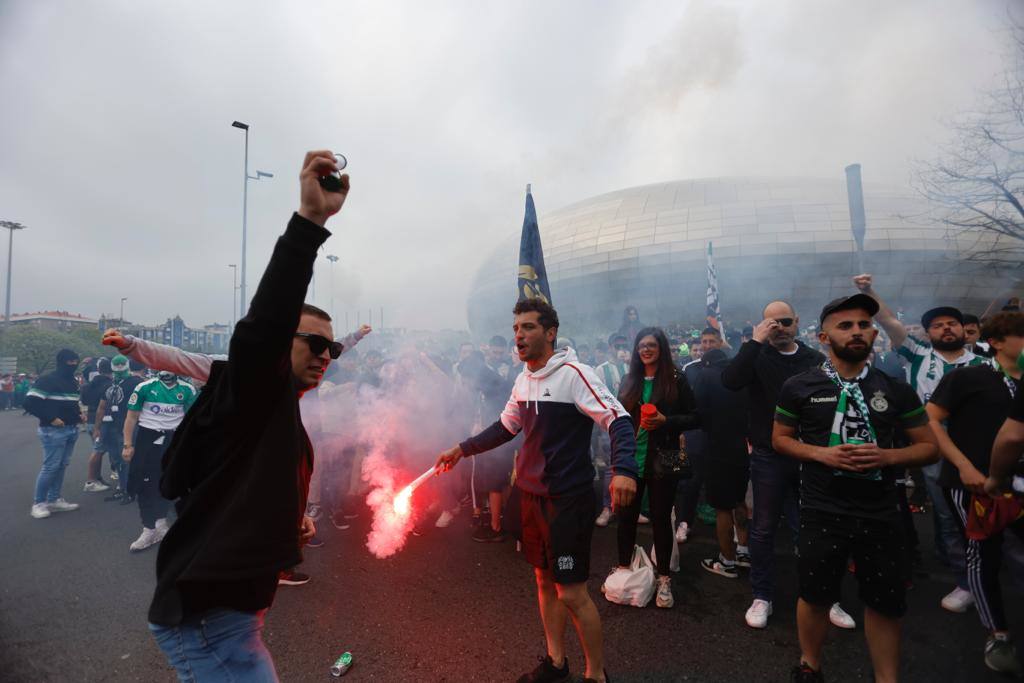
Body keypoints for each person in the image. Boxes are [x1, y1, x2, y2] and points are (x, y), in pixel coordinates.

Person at [143, 149, 347, 681]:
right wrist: (310, 223)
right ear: (283, 343)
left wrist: (285, 528)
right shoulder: (255, 385)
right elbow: (261, 328)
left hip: (223, 615)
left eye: (335, 349)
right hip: (210, 622)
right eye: (314, 343)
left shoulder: (271, 411)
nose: (326, 355)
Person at [436, 298, 638, 683]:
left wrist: (624, 469)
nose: (519, 335)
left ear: (550, 333)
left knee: (572, 592)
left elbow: (619, 420)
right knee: (543, 582)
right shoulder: (524, 377)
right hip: (530, 496)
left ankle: (596, 675)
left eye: (528, 327)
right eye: (516, 328)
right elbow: (505, 427)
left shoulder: (576, 374)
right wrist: (462, 449)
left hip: (567, 500)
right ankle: (556, 662)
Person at [773, 294, 938, 683]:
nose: (857, 331)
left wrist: (886, 458)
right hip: (821, 508)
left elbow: (929, 447)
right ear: (823, 337)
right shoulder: (799, 385)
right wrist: (820, 455)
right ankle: (810, 665)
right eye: (845, 326)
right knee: (814, 595)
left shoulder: (894, 388)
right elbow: (780, 438)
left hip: (880, 511)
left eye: (864, 324)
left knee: (884, 602)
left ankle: (886, 677)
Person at [854, 273, 984, 613]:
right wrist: (869, 292)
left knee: (981, 513)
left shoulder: (985, 364)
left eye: (952, 323)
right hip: (934, 449)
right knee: (946, 515)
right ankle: (963, 579)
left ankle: (983, 569)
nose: (946, 329)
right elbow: (888, 321)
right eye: (938, 325)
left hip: (978, 450)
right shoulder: (917, 355)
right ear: (928, 333)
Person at [720, 302, 847, 630]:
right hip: (767, 455)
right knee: (762, 528)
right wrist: (754, 341)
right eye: (771, 323)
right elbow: (731, 380)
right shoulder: (757, 355)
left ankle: (825, 596)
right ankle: (762, 595)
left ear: (798, 322)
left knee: (811, 527)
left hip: (810, 455)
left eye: (785, 321)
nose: (779, 327)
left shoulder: (814, 360)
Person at [926, 312, 1024, 676]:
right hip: (974, 485)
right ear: (998, 341)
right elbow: (931, 418)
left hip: (1018, 484)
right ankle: (997, 632)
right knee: (983, 552)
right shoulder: (970, 377)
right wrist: (963, 466)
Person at [606, 326, 699, 608]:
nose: (645, 349)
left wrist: (665, 421)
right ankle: (623, 570)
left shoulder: (675, 379)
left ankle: (664, 580)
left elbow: (696, 417)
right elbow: (618, 418)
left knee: (660, 518)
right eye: (641, 345)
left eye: (651, 345)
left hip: (662, 459)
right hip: (631, 460)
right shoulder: (628, 380)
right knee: (626, 516)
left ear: (661, 348)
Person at [691, 347, 751, 578]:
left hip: (716, 448)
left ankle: (727, 560)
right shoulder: (742, 375)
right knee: (739, 501)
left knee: (722, 508)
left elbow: (698, 411)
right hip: (741, 447)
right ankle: (744, 552)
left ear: (706, 363)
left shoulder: (705, 375)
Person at [122, 370, 197, 551]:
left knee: (171, 482)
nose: (167, 371)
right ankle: (148, 528)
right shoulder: (144, 387)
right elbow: (131, 417)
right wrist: (127, 445)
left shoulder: (188, 390)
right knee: (144, 484)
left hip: (174, 440)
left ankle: (162, 524)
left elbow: (192, 419)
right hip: (147, 439)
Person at [23, 349, 83, 519]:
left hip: (71, 428)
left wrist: (79, 414)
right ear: (61, 362)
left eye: (75, 361)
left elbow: (72, 402)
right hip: (52, 430)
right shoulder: (47, 380)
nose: (73, 364)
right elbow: (29, 403)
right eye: (70, 361)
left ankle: (54, 499)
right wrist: (51, 418)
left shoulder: (72, 381)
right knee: (50, 467)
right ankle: (39, 503)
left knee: (61, 465)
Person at [94, 354, 142, 501]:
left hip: (126, 427)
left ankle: (130, 489)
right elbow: (101, 407)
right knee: (118, 460)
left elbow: (143, 406)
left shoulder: (137, 383)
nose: (120, 367)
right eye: (117, 364)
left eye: (122, 364)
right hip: (111, 427)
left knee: (127, 459)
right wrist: (97, 428)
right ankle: (123, 487)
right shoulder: (109, 385)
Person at [81, 357, 113, 492]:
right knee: (98, 450)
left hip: (90, 418)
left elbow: (83, 401)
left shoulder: (87, 385)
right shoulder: (110, 385)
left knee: (98, 449)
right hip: (101, 421)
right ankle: (90, 481)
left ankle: (97, 478)